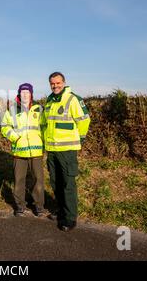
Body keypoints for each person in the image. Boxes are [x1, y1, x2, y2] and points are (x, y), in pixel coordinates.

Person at [43, 72, 90, 232]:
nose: (55, 86)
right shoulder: (49, 100)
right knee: (56, 183)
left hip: (67, 151)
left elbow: (84, 120)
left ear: (64, 82)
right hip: (52, 150)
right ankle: (61, 211)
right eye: (52, 83)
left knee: (68, 184)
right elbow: (45, 123)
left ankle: (70, 218)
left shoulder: (73, 99)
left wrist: (80, 138)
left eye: (58, 83)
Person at [1, 83, 45, 217]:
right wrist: (14, 137)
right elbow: (4, 126)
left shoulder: (39, 109)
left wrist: (44, 143)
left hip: (36, 151)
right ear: (19, 94)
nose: (25, 94)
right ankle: (20, 206)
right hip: (19, 151)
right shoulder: (12, 110)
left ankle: (38, 206)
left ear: (31, 94)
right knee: (19, 180)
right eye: (23, 92)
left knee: (38, 179)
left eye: (27, 92)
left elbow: (45, 127)